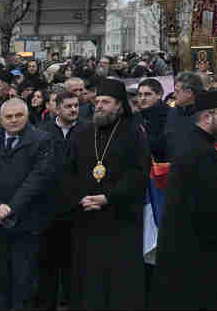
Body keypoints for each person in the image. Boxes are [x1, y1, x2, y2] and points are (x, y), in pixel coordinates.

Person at [65, 78, 151, 309]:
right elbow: (68, 170)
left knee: (119, 277)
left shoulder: (134, 132)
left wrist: (108, 197)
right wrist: (80, 197)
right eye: (97, 101)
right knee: (88, 274)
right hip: (87, 216)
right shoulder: (82, 132)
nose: (99, 106)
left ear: (119, 105)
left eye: (106, 101)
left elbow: (138, 173)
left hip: (120, 217)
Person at [153, 90, 217, 310]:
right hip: (198, 244)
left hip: (181, 239)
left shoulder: (191, 141)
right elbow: (215, 200)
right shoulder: (204, 152)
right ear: (207, 117)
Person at [0, 98, 56, 310]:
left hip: (26, 223)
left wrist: (10, 207)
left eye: (19, 116)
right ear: (0, 119)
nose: (14, 120)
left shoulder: (42, 140)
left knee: (24, 280)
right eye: (8, 116)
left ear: (27, 116)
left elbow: (38, 178)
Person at [34, 90, 82, 311]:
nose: (73, 110)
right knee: (48, 265)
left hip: (77, 209)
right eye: (68, 106)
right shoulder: (42, 132)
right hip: (48, 210)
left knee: (74, 264)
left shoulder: (87, 130)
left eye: (76, 106)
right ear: (57, 108)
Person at [163, 72, 203, 161]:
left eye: (177, 91)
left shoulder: (204, 117)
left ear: (189, 93)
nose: (173, 95)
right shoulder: (171, 112)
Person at [137, 78, 169, 161]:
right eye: (140, 95)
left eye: (147, 94)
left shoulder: (171, 115)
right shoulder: (136, 116)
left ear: (159, 95)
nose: (142, 98)